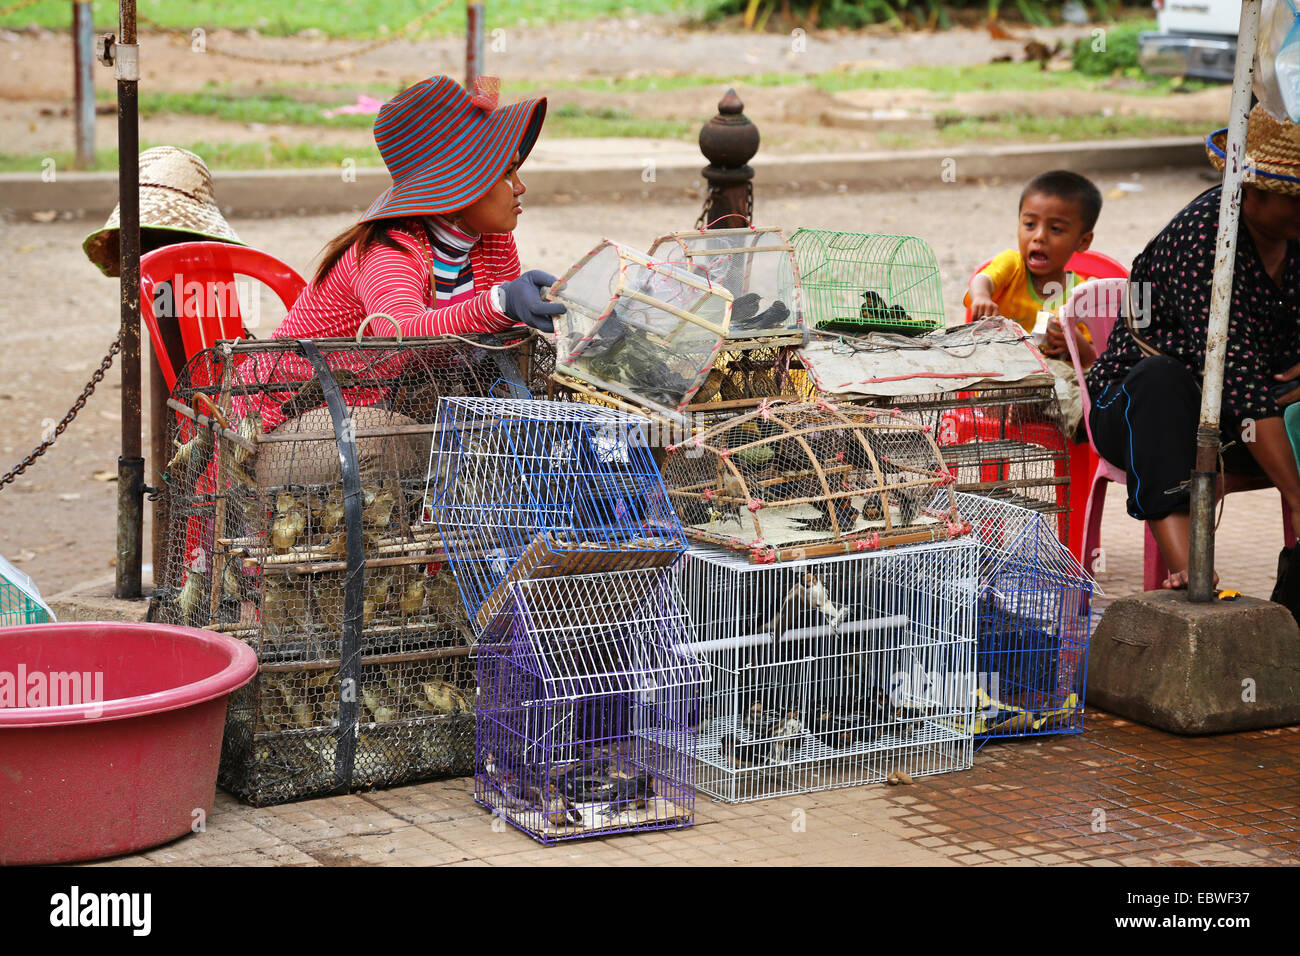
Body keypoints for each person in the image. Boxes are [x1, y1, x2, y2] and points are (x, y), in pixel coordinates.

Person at [1086, 103, 1300, 589]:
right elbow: (1238, 376)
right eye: (1295, 197)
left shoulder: (1292, 235)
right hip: (1142, 414)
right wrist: (1297, 496)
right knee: (1160, 383)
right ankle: (1188, 567)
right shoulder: (1206, 238)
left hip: (1244, 413)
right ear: (1249, 192)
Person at [964, 170, 1104, 438]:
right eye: (1030, 225)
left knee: (1093, 382)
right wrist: (981, 297)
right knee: (1046, 376)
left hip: (1060, 385)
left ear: (1083, 241)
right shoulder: (1012, 265)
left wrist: (1075, 342)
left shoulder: (1084, 293)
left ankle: (1102, 415)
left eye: (1056, 229)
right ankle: (1090, 424)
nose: (1039, 237)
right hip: (1003, 385)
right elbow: (983, 279)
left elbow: (1091, 360)